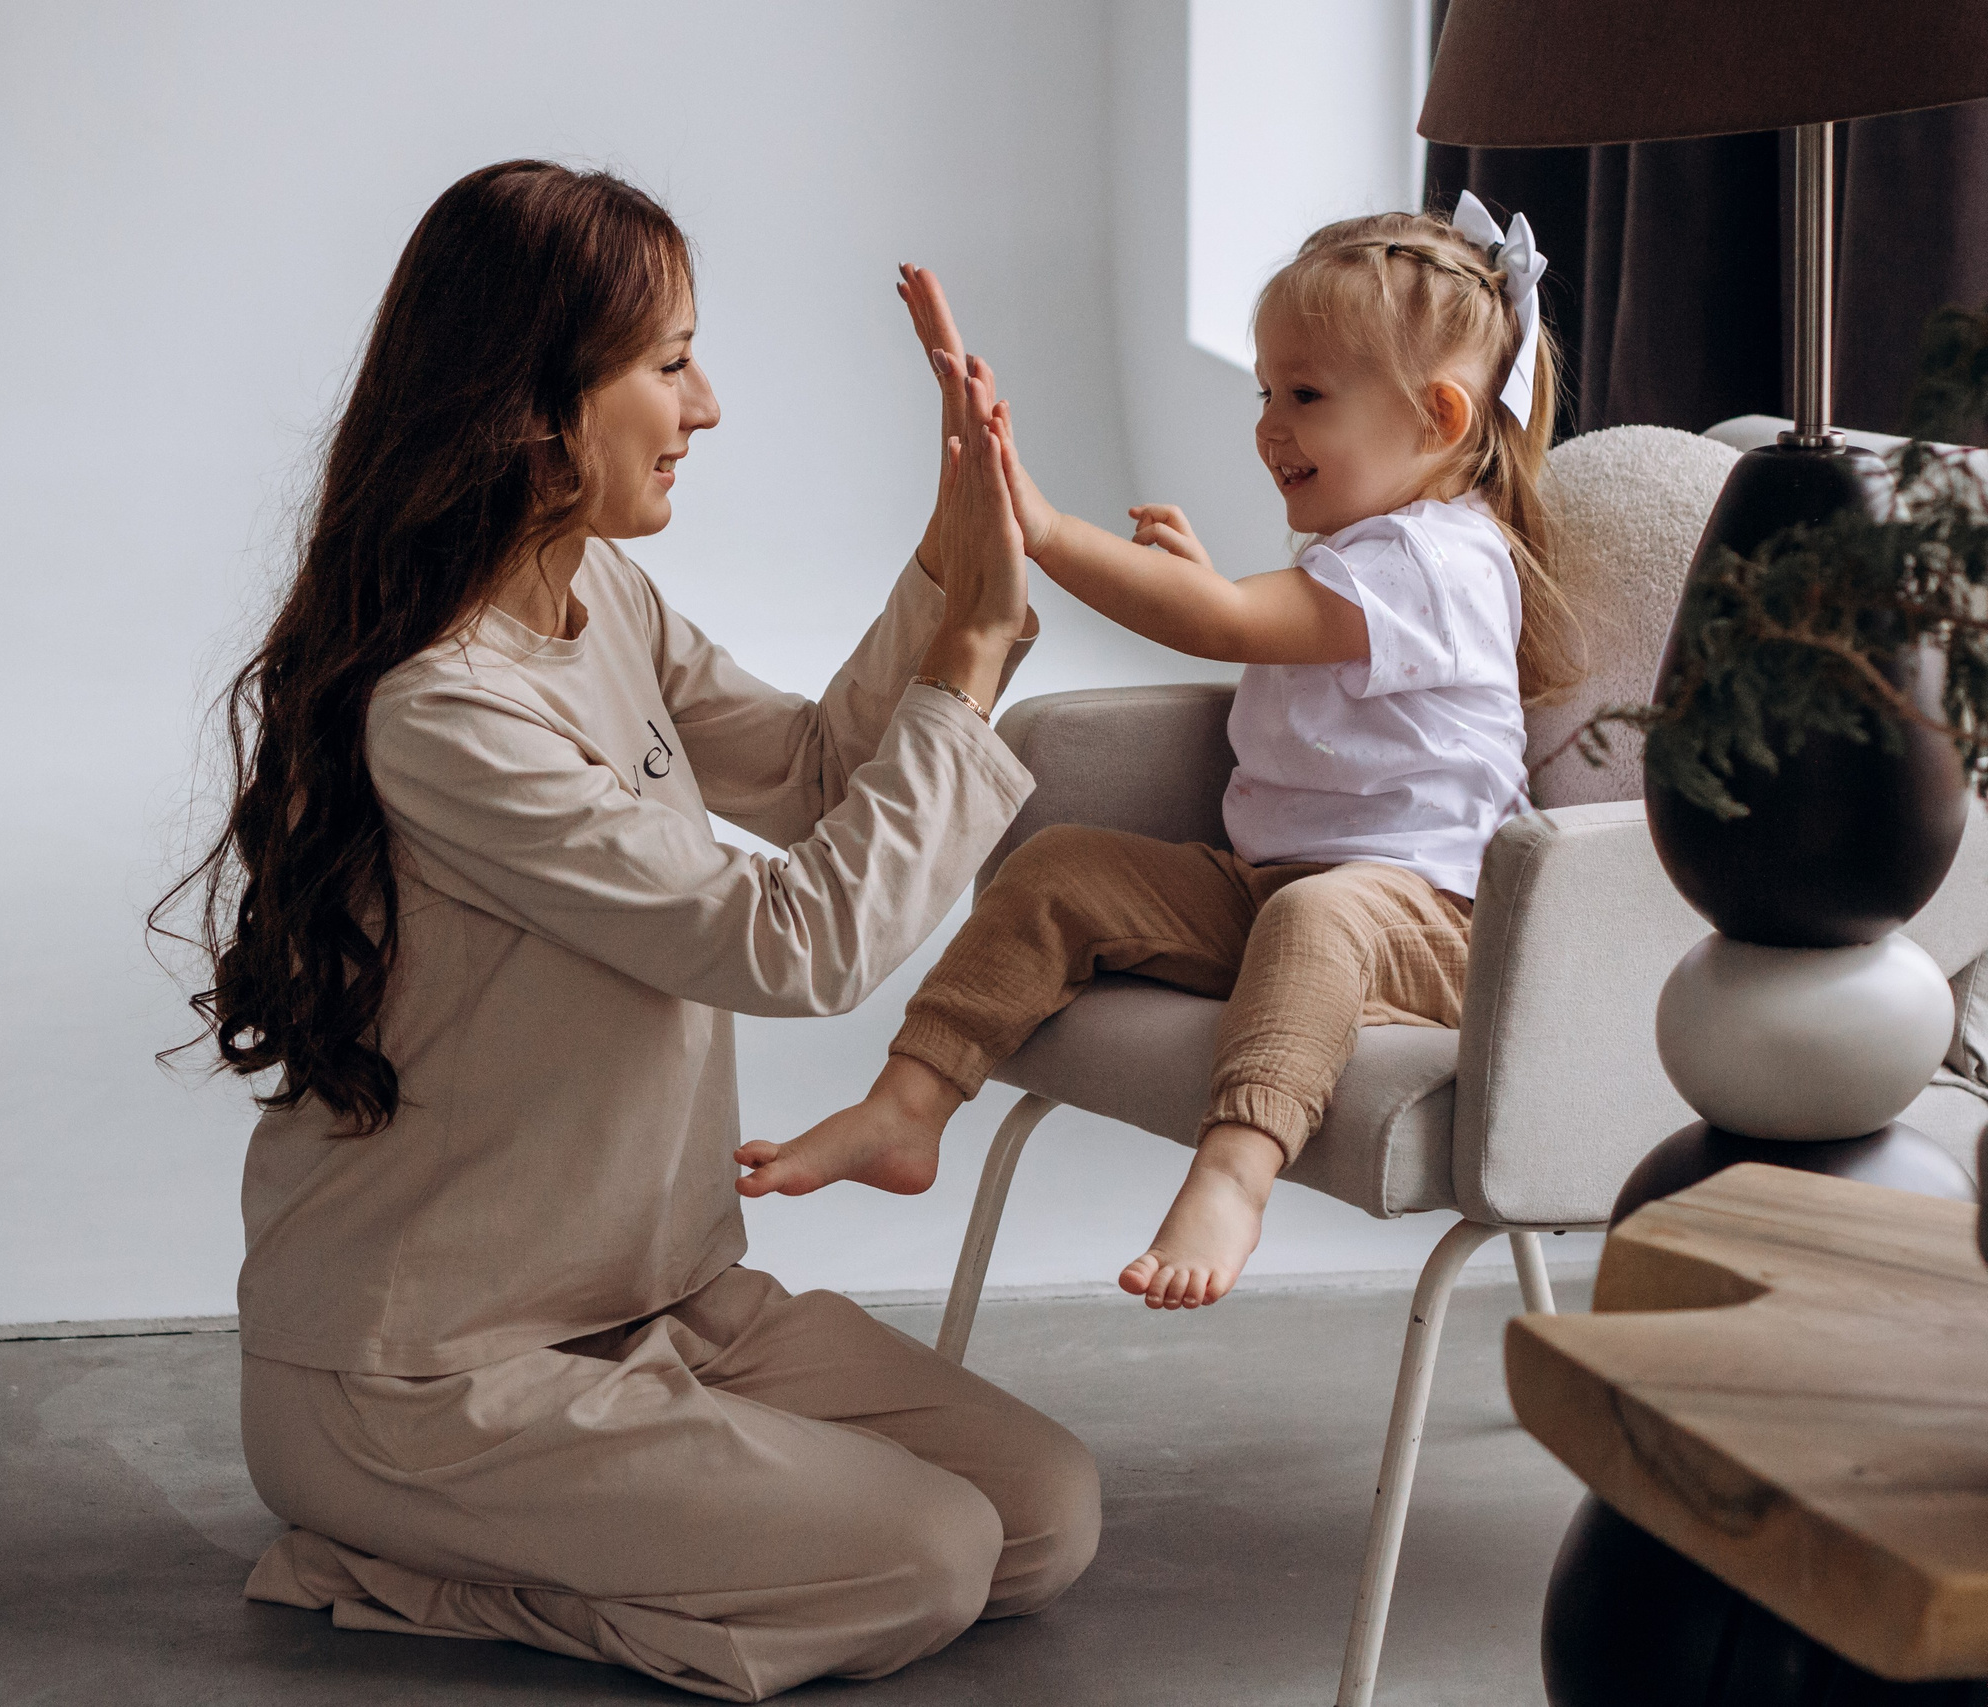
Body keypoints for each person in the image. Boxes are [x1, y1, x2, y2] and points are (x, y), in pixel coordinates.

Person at [156, 159, 1098, 1702]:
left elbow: (805, 776)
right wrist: (973, 662)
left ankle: (646, 1508)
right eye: (669, 365)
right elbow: (800, 943)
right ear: (536, 403)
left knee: (1042, 1519)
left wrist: (947, 566)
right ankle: (392, 1556)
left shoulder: (598, 591)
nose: (706, 404)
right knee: (925, 1557)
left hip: (661, 1307)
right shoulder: (442, 710)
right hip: (429, 1370)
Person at [737, 195, 1579, 1312]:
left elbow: (1230, 628)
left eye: (1306, 396)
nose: (1269, 424)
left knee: (1316, 917)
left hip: (1432, 918)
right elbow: (1261, 624)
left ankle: (1236, 1170)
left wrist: (1039, 526)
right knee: (1057, 870)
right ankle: (911, 1104)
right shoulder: (1369, 551)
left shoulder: (1443, 558)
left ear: (1435, 416)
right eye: (1265, 391)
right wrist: (1210, 582)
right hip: (1272, 886)